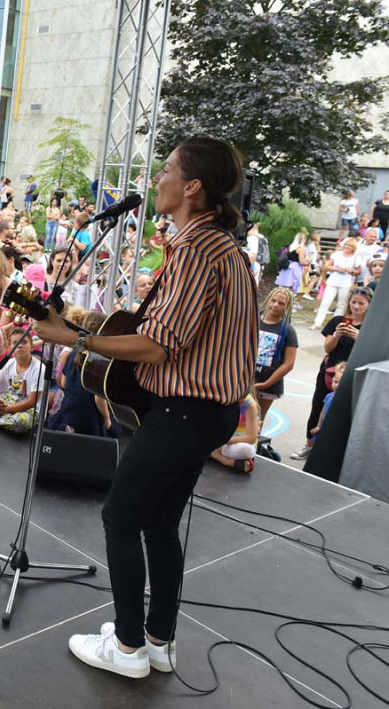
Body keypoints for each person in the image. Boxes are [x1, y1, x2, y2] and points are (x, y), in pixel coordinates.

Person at [34, 137, 257, 679]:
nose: (158, 177)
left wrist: (72, 338)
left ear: (192, 186)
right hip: (208, 411)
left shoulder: (197, 251)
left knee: (120, 517)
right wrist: (90, 325)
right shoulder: (220, 247)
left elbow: (159, 346)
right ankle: (158, 639)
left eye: (168, 169)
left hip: (184, 411)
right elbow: (174, 333)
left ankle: (128, 647)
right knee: (159, 523)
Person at [292, 286, 370, 460]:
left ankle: (337, 453)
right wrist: (336, 335)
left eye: (361, 304)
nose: (356, 306)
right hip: (329, 372)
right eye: (353, 302)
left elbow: (370, 352)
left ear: (369, 305)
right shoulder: (337, 321)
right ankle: (309, 446)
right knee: (318, 406)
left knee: (346, 411)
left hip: (352, 375)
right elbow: (328, 348)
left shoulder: (370, 327)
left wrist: (359, 337)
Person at [252, 287, 298, 426]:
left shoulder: (288, 330)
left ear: (287, 308)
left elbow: (289, 363)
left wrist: (266, 384)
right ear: (268, 300)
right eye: (273, 300)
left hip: (267, 386)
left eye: (281, 303)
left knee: (256, 420)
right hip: (244, 381)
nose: (276, 305)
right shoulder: (252, 320)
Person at [0, 327, 43, 435]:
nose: (20, 346)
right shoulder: (9, 363)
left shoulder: (39, 368)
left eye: (24, 342)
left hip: (30, 409)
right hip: (9, 401)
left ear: (32, 347)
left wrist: (4, 410)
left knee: (19, 421)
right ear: (10, 348)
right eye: (15, 343)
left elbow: (31, 402)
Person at [312, 237, 362, 330]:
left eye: (349, 245)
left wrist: (350, 271)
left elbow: (358, 271)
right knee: (325, 302)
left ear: (353, 247)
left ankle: (335, 324)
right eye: (346, 245)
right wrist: (338, 269)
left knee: (341, 305)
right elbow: (327, 266)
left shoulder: (356, 257)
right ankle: (317, 323)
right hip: (333, 281)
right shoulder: (337, 254)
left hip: (346, 282)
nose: (347, 247)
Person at [209, 393, 259, 474]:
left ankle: (214, 454)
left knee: (249, 451)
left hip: (234, 443)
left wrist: (225, 440)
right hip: (222, 441)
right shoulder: (223, 397)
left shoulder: (249, 405)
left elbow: (251, 438)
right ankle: (227, 461)